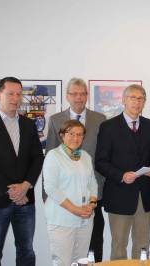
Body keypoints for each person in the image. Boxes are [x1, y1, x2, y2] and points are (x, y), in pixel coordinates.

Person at [0, 77, 44, 265]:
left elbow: (37, 158)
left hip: (25, 200)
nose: (15, 98)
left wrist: (26, 185)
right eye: (10, 93)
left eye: (19, 94)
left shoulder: (29, 125)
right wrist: (12, 190)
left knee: (27, 251)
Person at [95, 84, 150, 260]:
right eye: (133, 98)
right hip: (118, 195)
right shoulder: (108, 127)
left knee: (143, 244)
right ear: (123, 100)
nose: (137, 102)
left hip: (144, 197)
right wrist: (121, 176)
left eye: (141, 99)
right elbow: (100, 162)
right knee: (119, 245)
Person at [45, 78, 106, 261]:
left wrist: (92, 202)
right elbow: (50, 184)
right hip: (63, 206)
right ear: (67, 96)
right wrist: (51, 200)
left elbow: (97, 169)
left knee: (90, 253)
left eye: (82, 94)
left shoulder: (100, 119)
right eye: (74, 94)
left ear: (87, 96)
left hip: (90, 202)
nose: (79, 98)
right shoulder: (55, 121)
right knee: (64, 258)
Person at [43, 120, 98, 266]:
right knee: (62, 262)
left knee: (80, 261)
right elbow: (51, 188)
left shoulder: (85, 156)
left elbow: (92, 183)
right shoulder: (53, 156)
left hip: (85, 219)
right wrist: (75, 210)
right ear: (62, 135)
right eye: (71, 133)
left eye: (80, 134)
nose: (76, 138)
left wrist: (91, 205)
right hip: (62, 219)